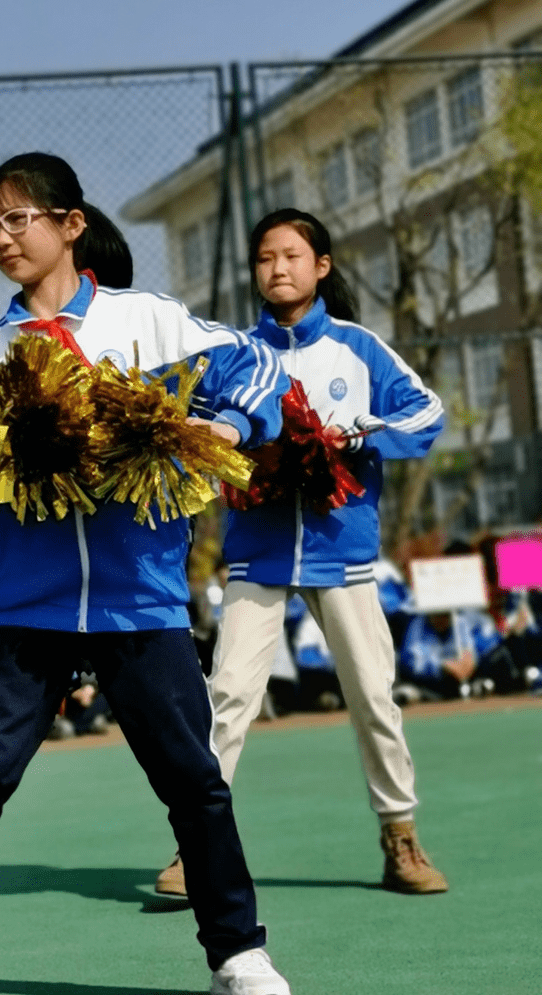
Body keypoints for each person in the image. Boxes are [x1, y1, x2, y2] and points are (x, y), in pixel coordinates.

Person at [0, 153, 293, 995]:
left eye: (18, 218)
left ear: (70, 225)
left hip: (142, 604)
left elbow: (260, 369)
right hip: (28, 611)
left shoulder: (150, 321)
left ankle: (239, 954)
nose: (1, 238)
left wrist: (228, 427)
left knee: (195, 785)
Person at [157, 208, 448, 901]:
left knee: (374, 692)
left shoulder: (358, 348)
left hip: (340, 549)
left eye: (292, 255)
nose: (277, 267)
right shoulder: (229, 352)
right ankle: (195, 846)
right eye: (265, 257)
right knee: (226, 695)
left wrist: (364, 436)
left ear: (322, 267)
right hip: (256, 551)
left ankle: (400, 836)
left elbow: (427, 412)